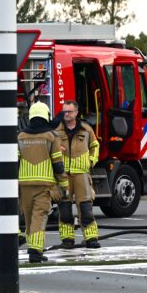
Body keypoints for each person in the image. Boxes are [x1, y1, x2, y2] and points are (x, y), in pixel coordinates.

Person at [18, 102, 69, 263]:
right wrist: (64, 185)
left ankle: (32, 247)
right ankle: (35, 251)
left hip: (24, 184)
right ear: (46, 116)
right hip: (44, 184)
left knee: (28, 217)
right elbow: (57, 163)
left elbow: (15, 162)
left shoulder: (20, 136)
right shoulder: (51, 136)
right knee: (39, 216)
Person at [56, 100, 101, 249]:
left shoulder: (86, 129)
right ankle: (67, 239)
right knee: (65, 208)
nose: (66, 114)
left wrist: (90, 161)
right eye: (64, 111)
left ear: (76, 113)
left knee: (85, 207)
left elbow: (95, 146)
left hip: (81, 174)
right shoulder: (56, 130)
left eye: (69, 111)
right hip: (63, 175)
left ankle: (91, 238)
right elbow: (49, 146)